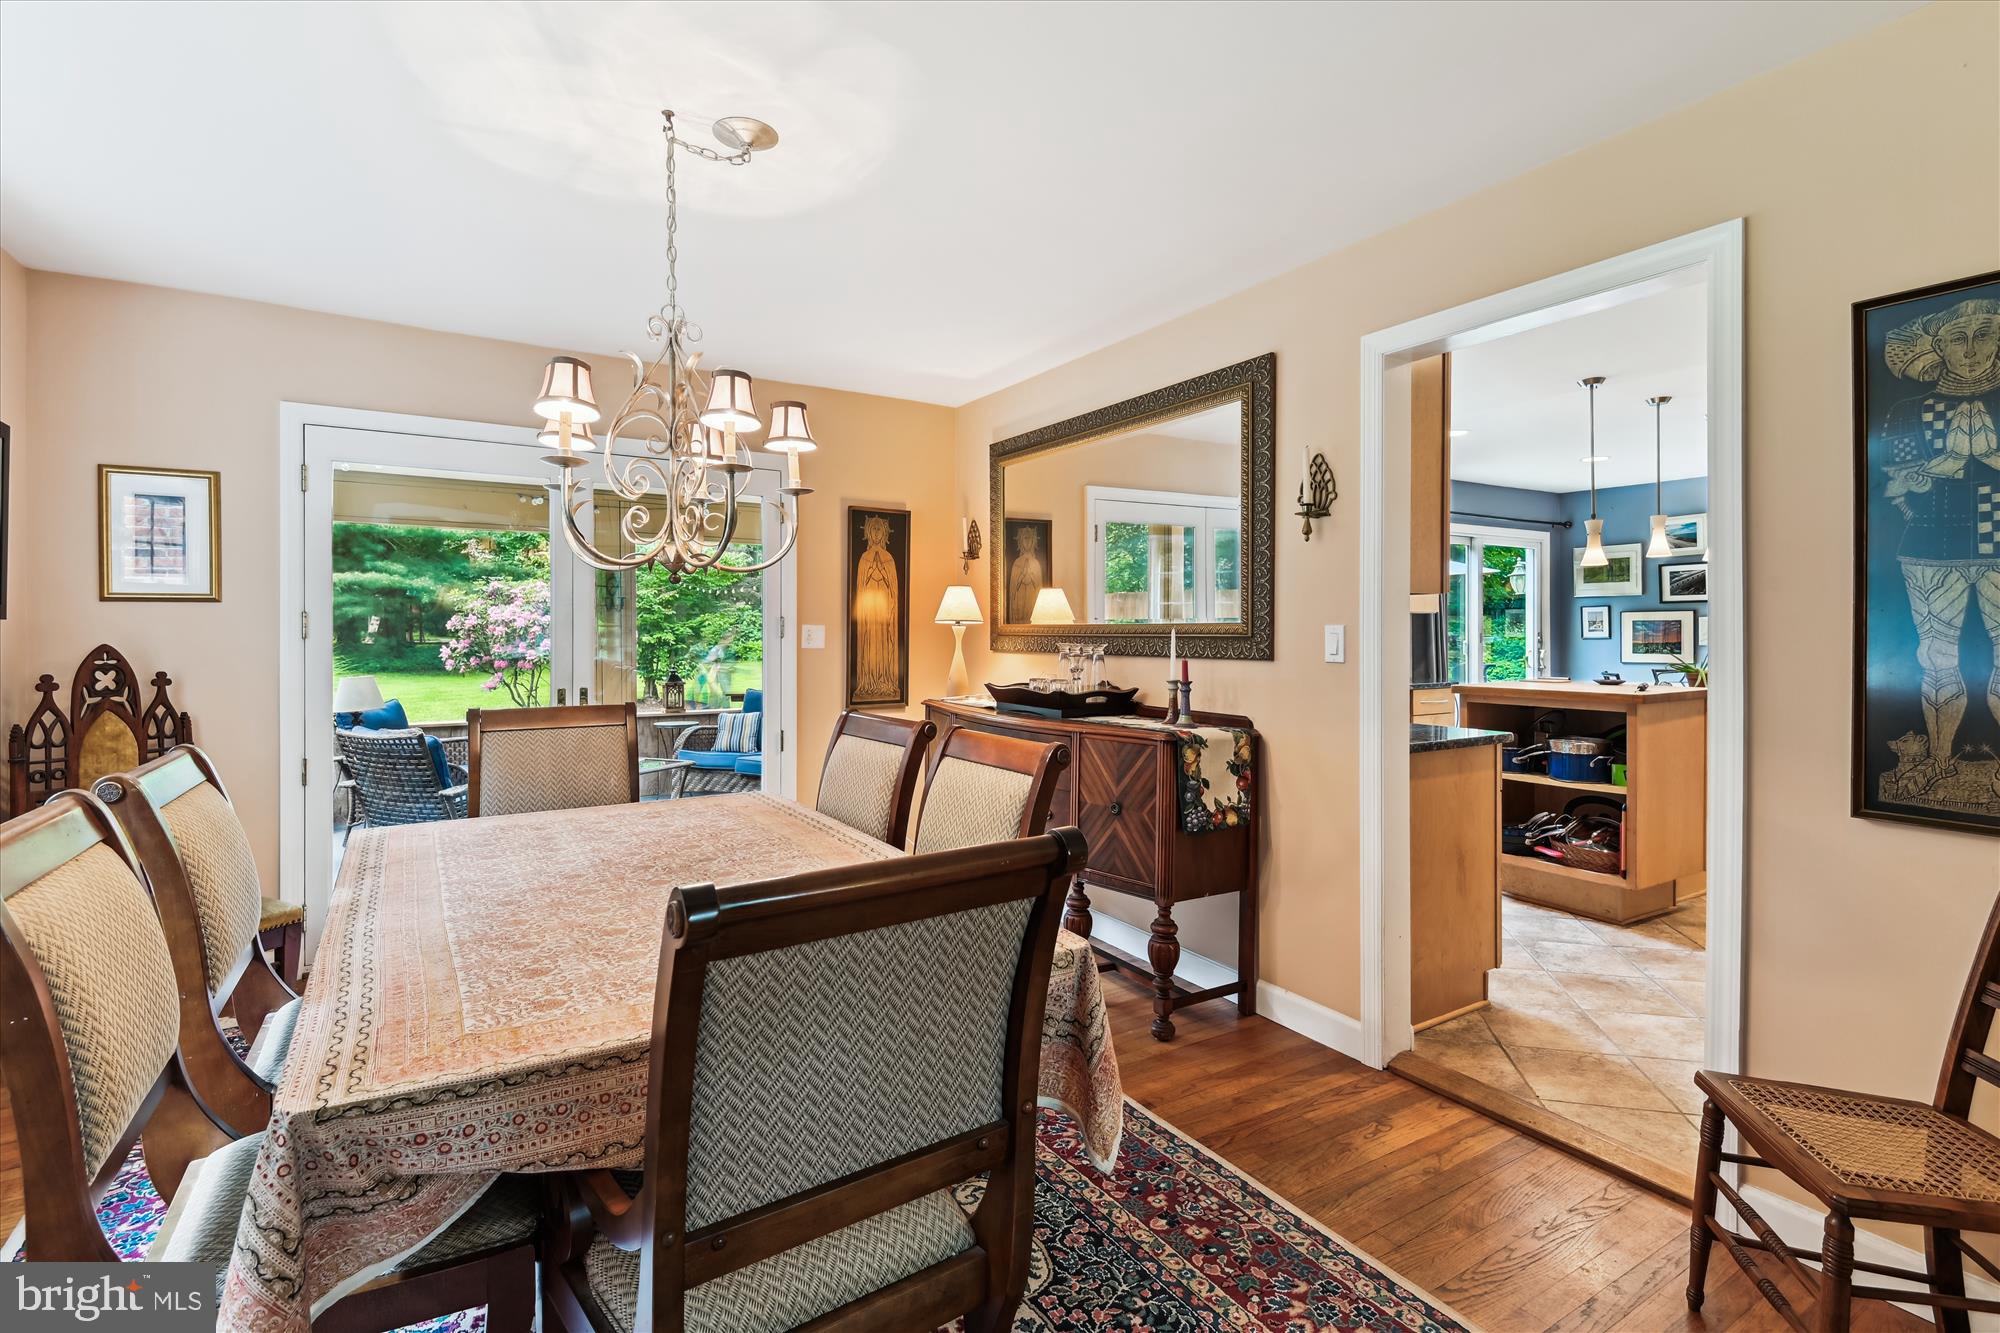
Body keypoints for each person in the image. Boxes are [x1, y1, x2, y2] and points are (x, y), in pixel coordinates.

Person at [1879, 296, 2000, 799]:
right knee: (1936, 655)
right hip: (1930, 544)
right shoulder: (1908, 410)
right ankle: (1939, 759)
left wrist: (1989, 456)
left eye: (1983, 334)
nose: (1970, 349)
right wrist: (1948, 462)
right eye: (1957, 337)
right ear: (1939, 347)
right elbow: (1896, 485)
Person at [852, 515, 901, 702]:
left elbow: (893, 589)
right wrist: (872, 572)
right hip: (869, 612)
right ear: (868, 532)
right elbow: (860, 587)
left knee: (884, 643)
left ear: (885, 532)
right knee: (870, 642)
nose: (877, 533)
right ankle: (869, 681)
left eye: (880, 529)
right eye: (873, 529)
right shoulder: (864, 559)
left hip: (885, 610)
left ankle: (885, 680)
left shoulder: (889, 559)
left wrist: (883, 574)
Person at [1006, 524, 1046, 623]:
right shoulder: (1017, 563)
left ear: (1033, 541)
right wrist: (1022, 574)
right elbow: (1013, 590)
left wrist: (1031, 575)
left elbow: (1039, 589)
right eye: (1025, 538)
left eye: (1030, 538)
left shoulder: (1036, 564)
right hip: (1019, 605)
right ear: (1020, 540)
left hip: (1031, 602)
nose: (1027, 541)